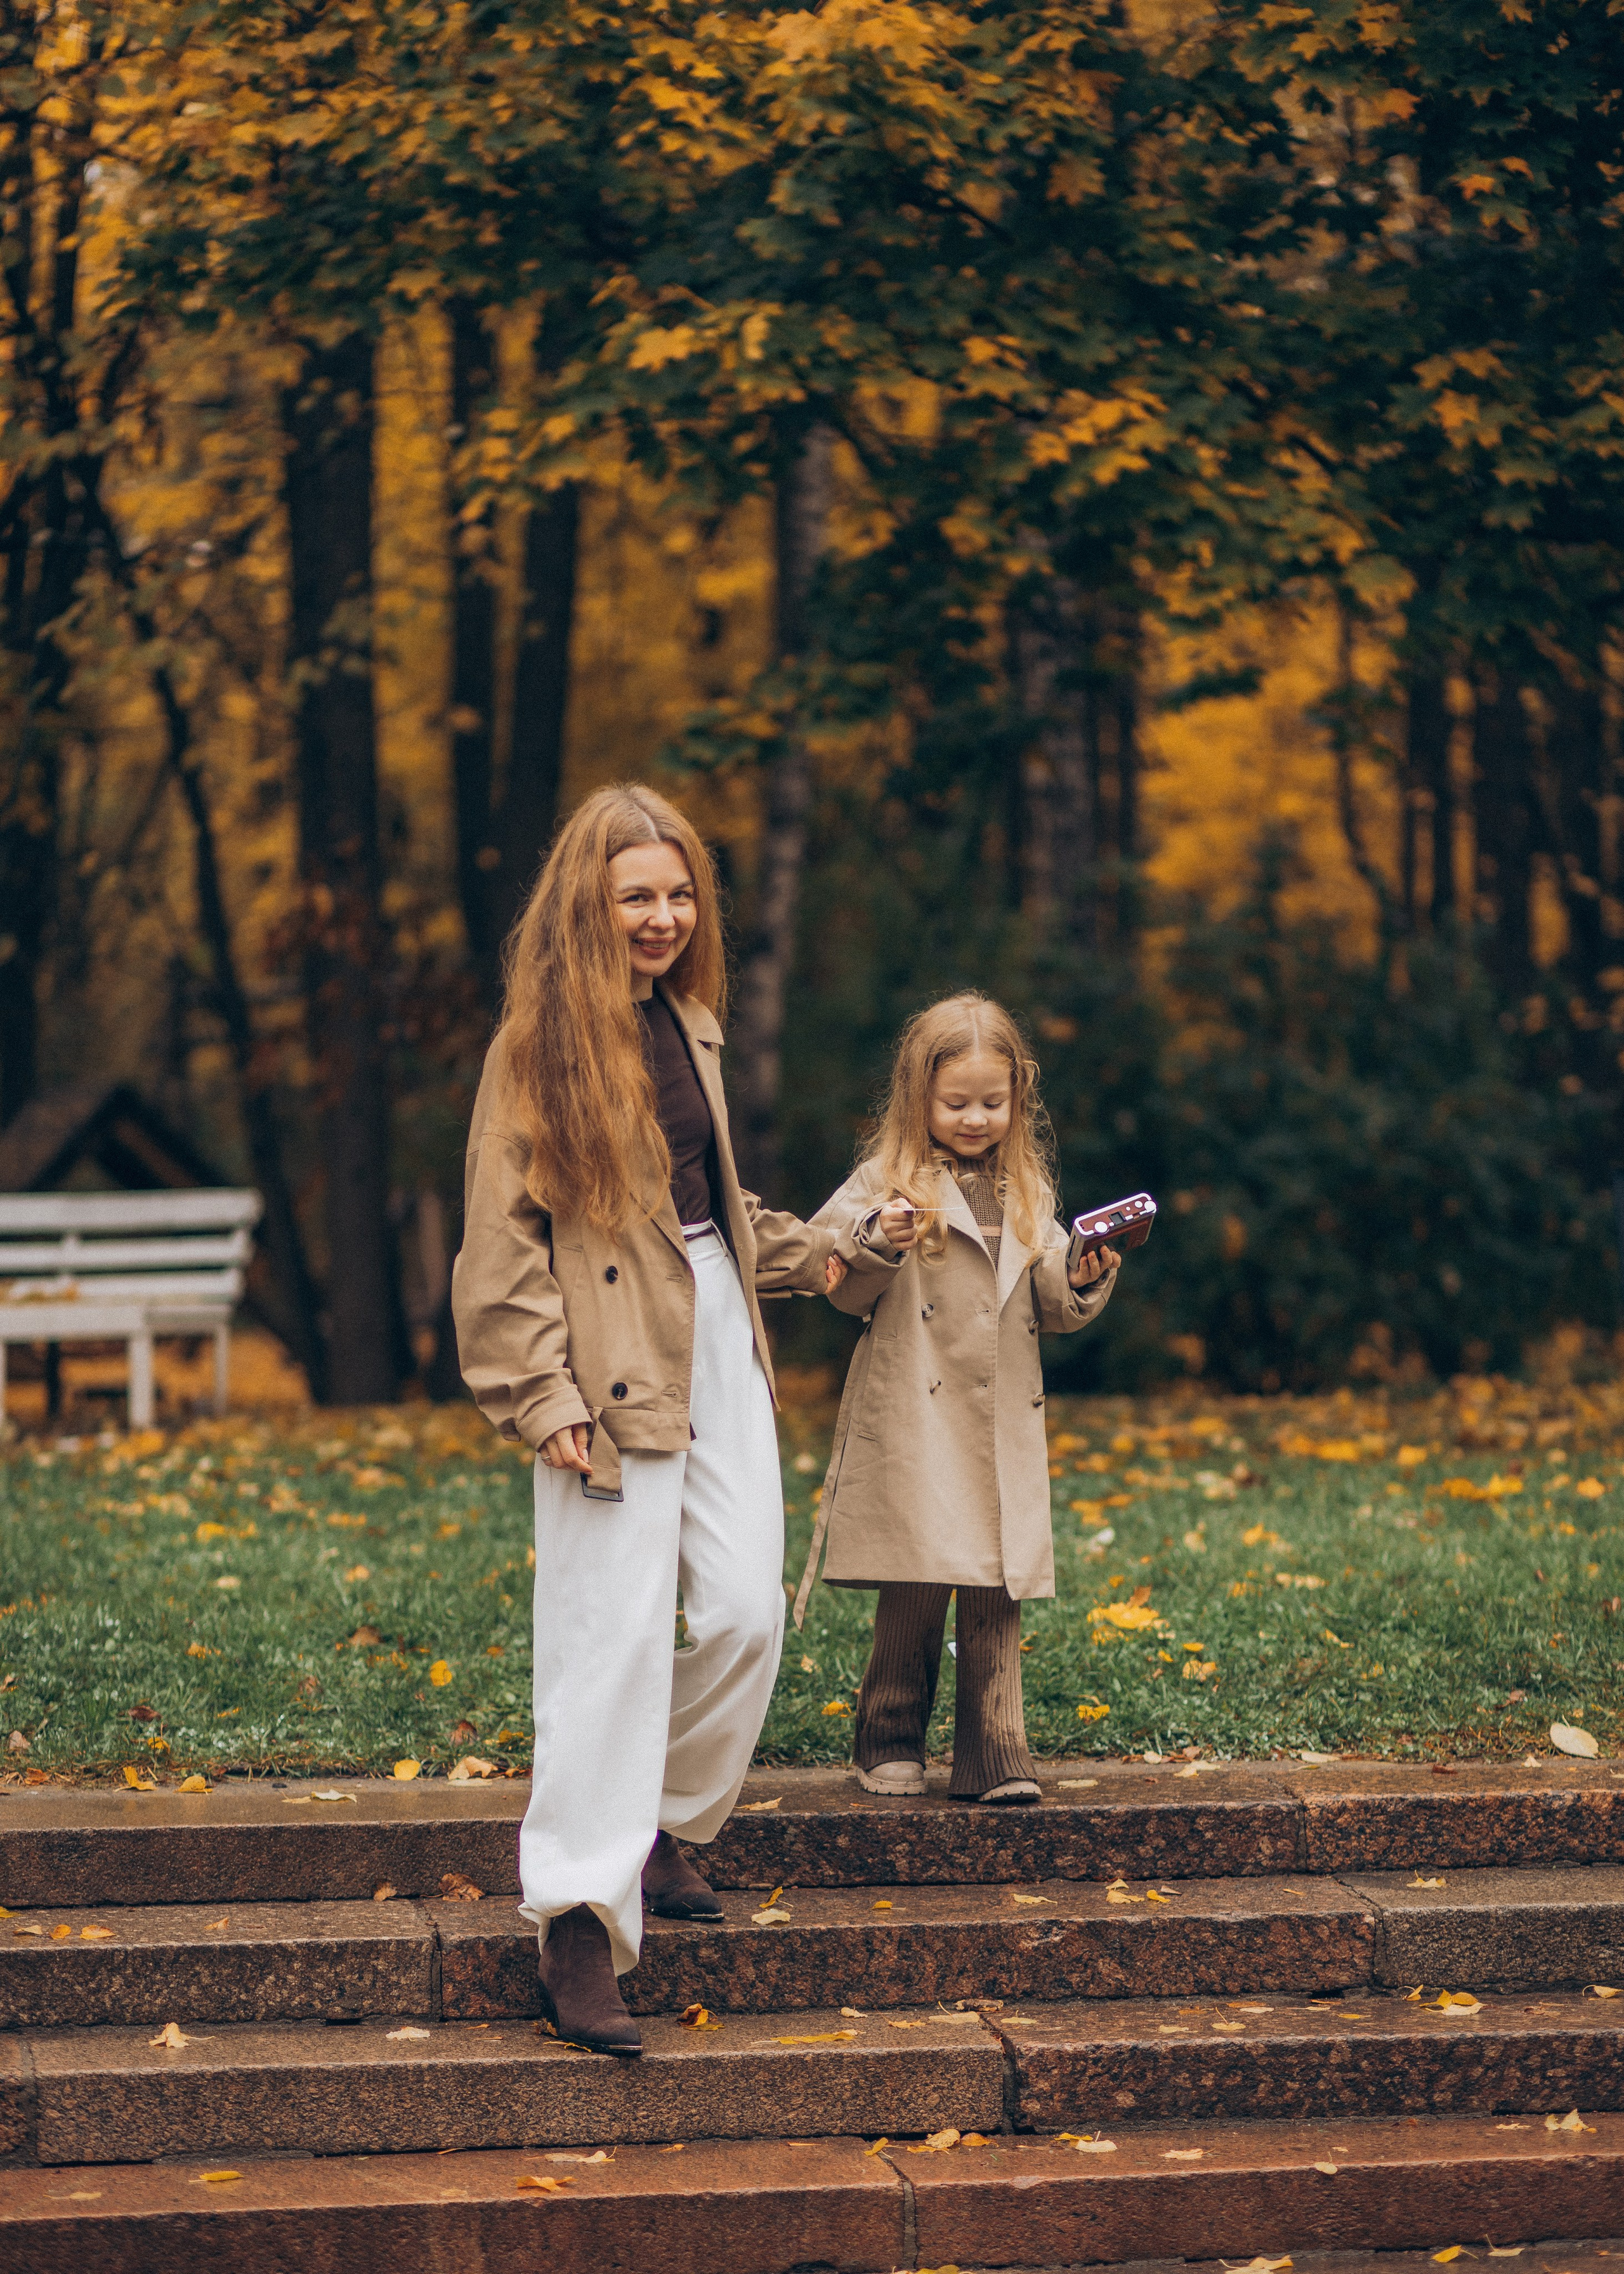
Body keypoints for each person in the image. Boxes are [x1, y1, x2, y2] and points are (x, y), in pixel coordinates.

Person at [452, 782, 848, 2055]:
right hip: (600, 1358)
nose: (664, 916)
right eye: (638, 896)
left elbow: (706, 1208)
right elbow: (500, 1243)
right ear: (589, 902)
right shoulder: (534, 1052)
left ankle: (663, 1816)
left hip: (715, 1323)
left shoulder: (691, 1022)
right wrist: (539, 1391)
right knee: (608, 1639)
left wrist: (822, 1250)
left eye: (679, 894)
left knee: (743, 1611)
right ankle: (577, 1919)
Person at [795, 992, 1120, 1804]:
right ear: (919, 1097)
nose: (976, 1119)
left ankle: (995, 1750)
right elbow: (830, 1271)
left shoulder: (1026, 1187)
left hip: (998, 1409)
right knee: (918, 1572)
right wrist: (875, 1241)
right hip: (919, 1406)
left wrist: (1080, 1274)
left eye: (992, 1102)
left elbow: (1047, 1299)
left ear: (1017, 1099)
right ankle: (887, 1732)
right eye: (956, 1103)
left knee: (994, 1584)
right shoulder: (885, 1178)